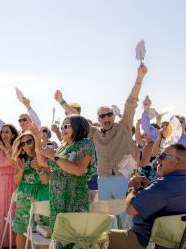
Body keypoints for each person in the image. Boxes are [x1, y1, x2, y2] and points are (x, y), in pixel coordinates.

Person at [56, 64, 148, 201]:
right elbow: (77, 117)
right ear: (98, 119)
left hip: (124, 178)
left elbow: (130, 103)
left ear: (114, 116)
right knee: (108, 218)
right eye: (102, 116)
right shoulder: (95, 133)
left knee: (124, 217)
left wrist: (139, 77)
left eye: (109, 114)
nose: (106, 118)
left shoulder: (124, 126)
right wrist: (61, 101)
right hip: (103, 180)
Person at [108, 144, 186, 249]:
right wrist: (150, 185)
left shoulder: (164, 185)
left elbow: (131, 209)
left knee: (100, 236)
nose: (157, 160)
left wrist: (132, 188)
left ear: (177, 162)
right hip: (179, 248)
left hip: (149, 245)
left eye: (162, 156)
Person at [31, 115, 96, 231]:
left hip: (74, 198)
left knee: (72, 236)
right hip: (57, 198)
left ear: (78, 127)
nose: (62, 129)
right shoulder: (62, 148)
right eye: (61, 127)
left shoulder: (85, 144)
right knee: (58, 237)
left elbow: (78, 170)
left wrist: (53, 156)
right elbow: (43, 162)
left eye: (66, 126)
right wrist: (37, 139)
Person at [10, 131, 50, 249]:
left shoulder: (43, 156)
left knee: (41, 230)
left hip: (41, 196)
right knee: (21, 229)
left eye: (29, 142)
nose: (26, 146)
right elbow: (16, 181)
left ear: (35, 141)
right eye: (23, 143)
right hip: (24, 196)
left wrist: (39, 169)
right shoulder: (21, 159)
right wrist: (20, 171)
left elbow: (46, 181)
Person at [0, 124, 19, 247]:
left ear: (13, 135)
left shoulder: (16, 147)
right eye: (2, 132)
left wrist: (5, 149)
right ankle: (4, 241)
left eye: (7, 132)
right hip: (3, 180)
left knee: (14, 209)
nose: (4, 134)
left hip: (15, 179)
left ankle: (16, 241)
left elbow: (15, 162)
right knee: (3, 209)